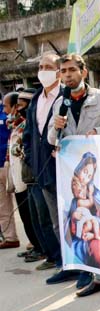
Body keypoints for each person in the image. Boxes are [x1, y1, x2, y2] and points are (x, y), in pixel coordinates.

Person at [45, 53, 100, 294]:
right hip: (77, 179)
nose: (67, 75)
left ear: (83, 72)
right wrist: (56, 130)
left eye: (71, 70)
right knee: (82, 224)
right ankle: (92, 274)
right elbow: (52, 140)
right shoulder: (59, 103)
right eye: (63, 71)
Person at [22, 53, 64, 272]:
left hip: (62, 167)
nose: (43, 70)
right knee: (45, 216)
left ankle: (73, 262)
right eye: (40, 66)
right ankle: (56, 257)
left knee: (66, 216)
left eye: (48, 66)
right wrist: (31, 157)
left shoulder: (65, 96)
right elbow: (29, 133)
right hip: (40, 167)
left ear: (58, 71)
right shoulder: (36, 98)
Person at [7, 89, 45, 262]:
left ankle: (42, 248)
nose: (18, 109)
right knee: (27, 216)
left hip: (31, 176)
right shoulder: (18, 125)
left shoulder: (29, 125)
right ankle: (36, 246)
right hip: (20, 176)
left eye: (22, 105)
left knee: (36, 217)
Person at [0, 92, 21, 250]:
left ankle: (11, 237)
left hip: (10, 163)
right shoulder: (7, 113)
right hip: (7, 163)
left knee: (13, 203)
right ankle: (10, 237)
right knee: (4, 205)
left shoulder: (11, 115)